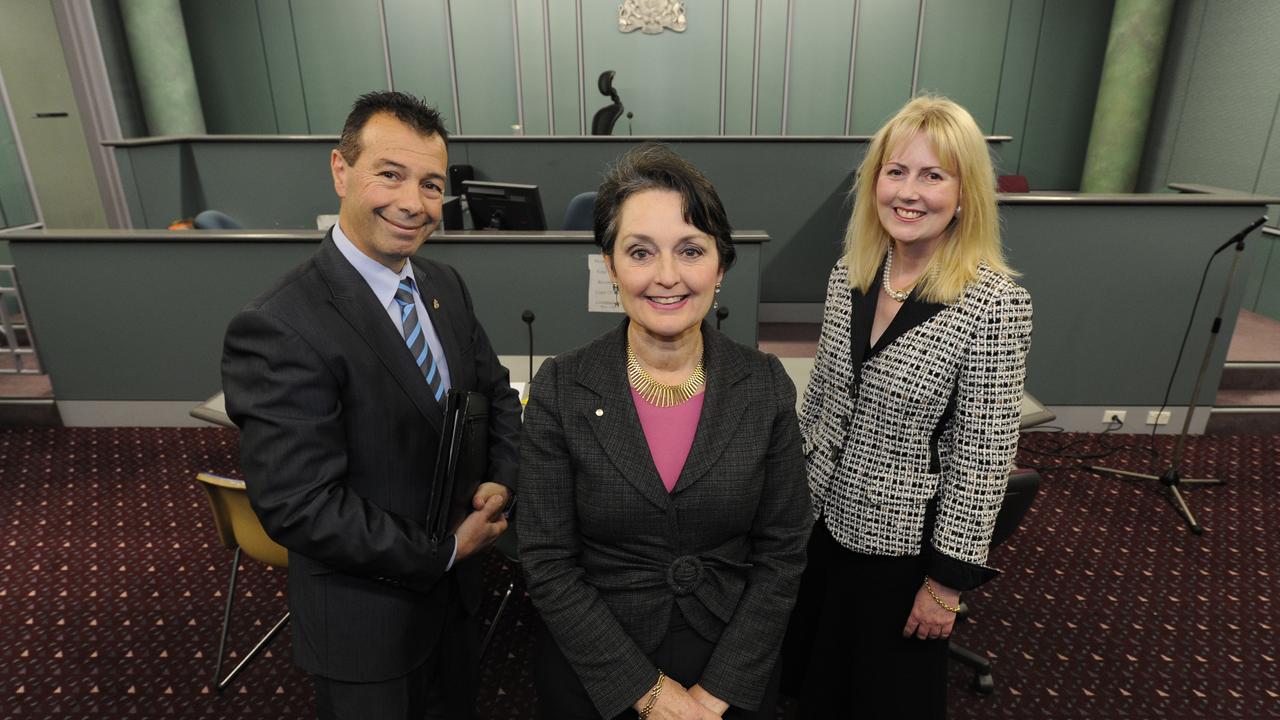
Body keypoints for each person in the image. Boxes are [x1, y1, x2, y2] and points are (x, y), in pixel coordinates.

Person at [221, 91, 521, 720]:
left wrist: (500, 478)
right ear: (340, 170)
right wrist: (443, 550)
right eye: (391, 174)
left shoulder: (443, 285)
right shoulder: (280, 324)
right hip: (367, 627)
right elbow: (300, 506)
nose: (414, 203)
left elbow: (494, 394)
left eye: (432, 185)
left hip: (458, 603)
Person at [518, 144, 811, 720]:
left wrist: (716, 694)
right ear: (611, 266)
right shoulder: (561, 387)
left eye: (691, 250)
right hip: (600, 668)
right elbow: (548, 561)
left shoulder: (765, 384)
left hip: (732, 662)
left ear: (721, 266)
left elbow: (784, 552)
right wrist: (654, 698)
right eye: (640, 252)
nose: (668, 277)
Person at [785, 95, 1033, 719]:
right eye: (896, 172)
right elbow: (821, 399)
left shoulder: (993, 304)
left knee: (882, 696)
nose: (909, 192)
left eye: (933, 175)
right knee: (814, 684)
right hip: (823, 521)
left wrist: (947, 584)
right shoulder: (853, 272)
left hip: (904, 548)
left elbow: (983, 456)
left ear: (965, 191)